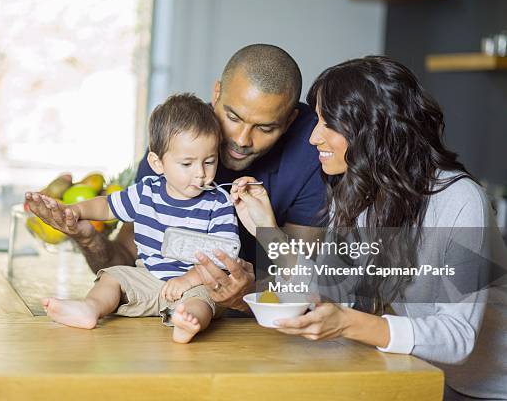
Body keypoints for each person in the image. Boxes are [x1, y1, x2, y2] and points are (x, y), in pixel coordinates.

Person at [201, 56, 507, 399]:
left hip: (484, 388)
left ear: (373, 128)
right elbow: (337, 292)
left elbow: (457, 339)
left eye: (328, 123)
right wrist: (267, 230)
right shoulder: (361, 196)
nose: (314, 137)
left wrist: (347, 322)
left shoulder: (461, 200)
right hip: (416, 372)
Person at [26, 44, 327, 313]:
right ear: (216, 93)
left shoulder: (314, 149)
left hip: (241, 320)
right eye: (233, 117)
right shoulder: (179, 139)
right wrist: (87, 237)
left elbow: (302, 285)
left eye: (265, 128)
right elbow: (127, 258)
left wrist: (244, 294)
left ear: (289, 121)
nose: (241, 139)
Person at [28, 94, 239, 343]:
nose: (200, 174)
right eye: (187, 163)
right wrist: (75, 210)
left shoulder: (219, 202)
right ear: (158, 163)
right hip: (148, 277)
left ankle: (186, 323)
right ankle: (90, 308)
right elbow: (107, 206)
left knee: (203, 301)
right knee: (112, 276)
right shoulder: (146, 191)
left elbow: (225, 256)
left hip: (196, 282)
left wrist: (187, 280)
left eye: (209, 161)